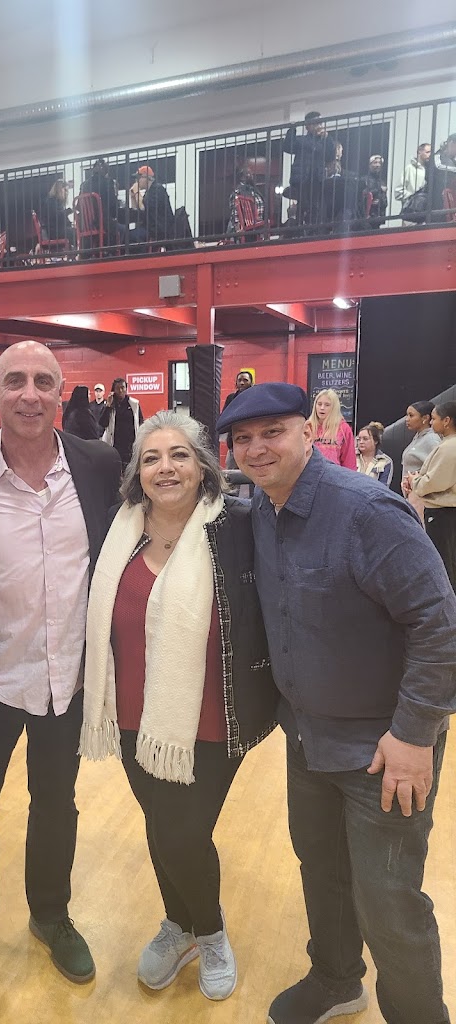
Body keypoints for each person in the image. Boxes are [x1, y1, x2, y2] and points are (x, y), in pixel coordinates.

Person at [218, 382, 456, 1024]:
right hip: (307, 739)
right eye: (243, 439)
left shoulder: (366, 512)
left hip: (384, 748)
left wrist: (415, 735)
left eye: (273, 432)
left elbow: (439, 623)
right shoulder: (261, 507)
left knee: (389, 900)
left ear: (309, 432)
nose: (257, 449)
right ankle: (336, 980)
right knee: (321, 870)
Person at [0, 340, 121, 1011]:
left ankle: (50, 914)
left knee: (56, 806)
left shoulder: (97, 465)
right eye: (14, 381)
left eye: (43, 381)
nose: (29, 394)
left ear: (61, 393)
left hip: (65, 679)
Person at [80, 411, 277, 1001]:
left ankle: (207, 932)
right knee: (162, 824)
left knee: (183, 831)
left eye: (179, 455)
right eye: (151, 458)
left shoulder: (237, 525)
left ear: (203, 466)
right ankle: (179, 923)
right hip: (133, 717)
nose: (165, 468)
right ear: (136, 472)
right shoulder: (118, 529)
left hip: (214, 715)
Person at [410, 399, 456, 591]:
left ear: (446, 421)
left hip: (442, 513)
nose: (431, 422)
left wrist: (415, 481)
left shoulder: (449, 447)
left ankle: (446, 603)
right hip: (445, 512)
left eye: (434, 418)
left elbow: (434, 482)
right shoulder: (447, 444)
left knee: (443, 563)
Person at [283, 112, 337, 226]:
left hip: (318, 179)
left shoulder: (324, 142)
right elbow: (288, 147)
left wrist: (327, 138)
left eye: (320, 123)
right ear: (308, 126)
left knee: (316, 206)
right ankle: (300, 228)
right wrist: (292, 129)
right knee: (303, 205)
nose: (319, 126)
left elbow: (331, 156)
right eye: (316, 123)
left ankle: (313, 229)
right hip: (302, 178)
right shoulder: (301, 140)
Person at [401, 400, 440, 522]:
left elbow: (437, 468)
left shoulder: (432, 439)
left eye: (411, 415)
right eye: (407, 415)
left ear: (425, 418)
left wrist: (417, 482)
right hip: (412, 495)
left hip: (422, 497)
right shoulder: (418, 437)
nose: (407, 419)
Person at [79, 158, 125, 248]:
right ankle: (113, 252)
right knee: (122, 229)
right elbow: (113, 205)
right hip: (102, 222)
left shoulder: (84, 185)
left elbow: (78, 206)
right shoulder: (108, 182)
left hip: (86, 224)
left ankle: (99, 250)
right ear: (106, 171)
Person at [100, 378, 144, 470]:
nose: (120, 391)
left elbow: (140, 422)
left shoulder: (134, 404)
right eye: (117, 388)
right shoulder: (110, 404)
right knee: (116, 469)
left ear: (126, 388)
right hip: (115, 444)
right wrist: (108, 406)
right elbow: (103, 423)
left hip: (130, 444)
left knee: (130, 470)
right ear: (113, 390)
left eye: (123, 387)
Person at [307, 388, 355, 469]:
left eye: (327, 405)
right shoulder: (308, 427)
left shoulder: (344, 429)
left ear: (334, 407)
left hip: (334, 473)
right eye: (319, 404)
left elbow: (349, 461)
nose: (322, 408)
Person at [130, 166, 175, 245]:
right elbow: (137, 210)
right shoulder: (148, 192)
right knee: (129, 234)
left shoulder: (158, 189)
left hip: (158, 229)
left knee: (131, 237)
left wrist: (137, 192)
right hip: (150, 227)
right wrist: (133, 197)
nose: (136, 181)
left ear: (147, 177)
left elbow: (143, 207)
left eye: (138, 178)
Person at [226, 168, 266, 239]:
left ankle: (228, 239)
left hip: (245, 228)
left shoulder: (236, 193)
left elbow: (235, 215)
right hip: (258, 227)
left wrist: (238, 229)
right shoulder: (256, 193)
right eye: (249, 174)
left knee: (231, 222)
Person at [396, 142, 431, 221]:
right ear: (419, 152)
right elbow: (398, 192)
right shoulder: (410, 168)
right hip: (411, 213)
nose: (430, 155)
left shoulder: (430, 169)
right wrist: (412, 197)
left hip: (426, 214)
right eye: (427, 152)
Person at [38, 179, 75, 246]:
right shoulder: (51, 201)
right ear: (59, 189)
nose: (66, 193)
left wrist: (70, 224)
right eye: (65, 190)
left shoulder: (55, 201)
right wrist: (68, 211)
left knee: (74, 231)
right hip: (54, 232)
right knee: (75, 232)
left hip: (55, 230)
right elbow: (57, 217)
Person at [355, 421, 393, 486]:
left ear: (376, 441)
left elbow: (384, 487)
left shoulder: (386, 461)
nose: (361, 442)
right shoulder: (351, 456)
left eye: (365, 439)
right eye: (359, 439)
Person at [360, 155, 388, 227]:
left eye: (379, 163)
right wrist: (379, 189)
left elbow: (385, 200)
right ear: (370, 165)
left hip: (379, 216)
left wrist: (381, 202)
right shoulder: (364, 180)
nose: (378, 165)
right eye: (375, 162)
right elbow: (363, 195)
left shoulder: (382, 181)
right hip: (367, 217)